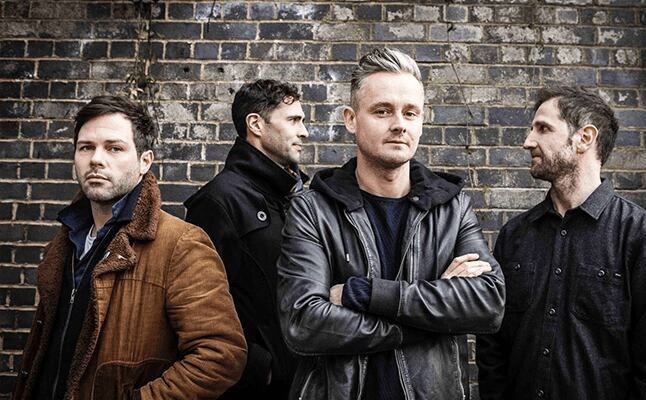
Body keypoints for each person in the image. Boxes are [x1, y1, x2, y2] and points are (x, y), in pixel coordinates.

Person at [277, 47, 505, 400]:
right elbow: (304, 322)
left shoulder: (452, 207)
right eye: (382, 111)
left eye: (410, 112)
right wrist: (426, 321)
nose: (399, 124)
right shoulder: (313, 209)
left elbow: (487, 302)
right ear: (351, 119)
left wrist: (363, 293)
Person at [14, 95, 247, 400]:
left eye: (114, 148)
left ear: (144, 162)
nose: (96, 159)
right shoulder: (64, 243)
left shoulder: (181, 244)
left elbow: (221, 355)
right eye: (86, 147)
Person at [476, 86, 646, 399]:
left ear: (584, 138)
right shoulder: (515, 236)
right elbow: (493, 345)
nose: (528, 141)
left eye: (543, 129)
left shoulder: (644, 238)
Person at [185, 79, 308, 398]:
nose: (305, 131)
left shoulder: (297, 197)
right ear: (256, 124)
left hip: (305, 382)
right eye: (294, 120)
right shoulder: (217, 202)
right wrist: (260, 369)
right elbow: (196, 308)